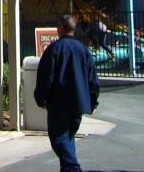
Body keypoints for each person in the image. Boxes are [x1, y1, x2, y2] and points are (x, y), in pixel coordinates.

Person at [34, 15, 100, 172]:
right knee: (68, 136)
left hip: (59, 102)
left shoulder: (54, 49)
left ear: (62, 28)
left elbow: (45, 77)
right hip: (79, 102)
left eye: (58, 26)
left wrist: (41, 98)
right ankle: (68, 168)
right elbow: (93, 80)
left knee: (59, 138)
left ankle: (72, 168)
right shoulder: (84, 51)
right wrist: (93, 101)